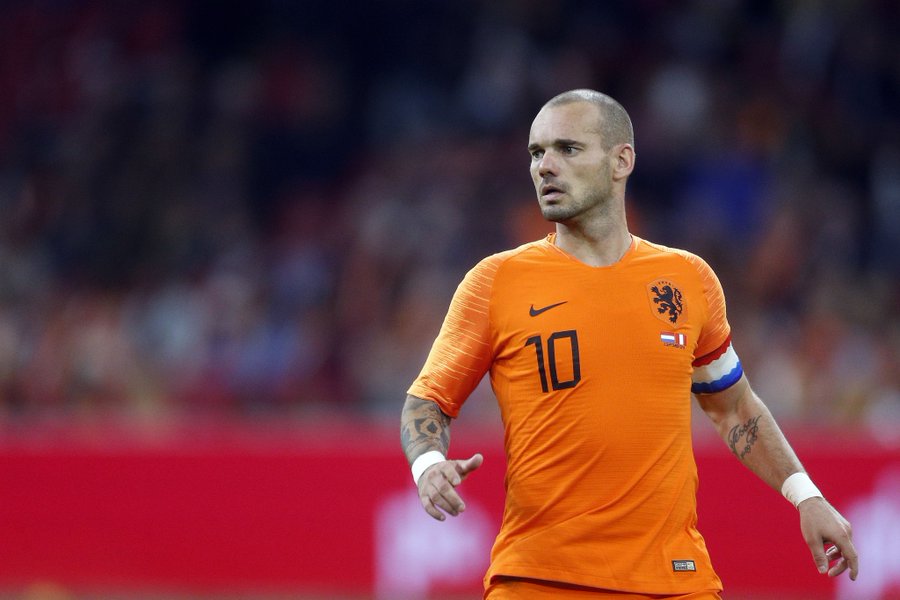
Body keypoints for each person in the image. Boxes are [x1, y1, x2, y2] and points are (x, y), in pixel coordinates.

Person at [399, 89, 858, 599]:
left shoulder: (687, 280)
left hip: (676, 581)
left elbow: (734, 408)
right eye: (536, 152)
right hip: (542, 579)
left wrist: (806, 496)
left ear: (622, 161)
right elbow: (428, 400)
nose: (544, 166)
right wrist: (428, 465)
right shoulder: (495, 281)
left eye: (567, 149)